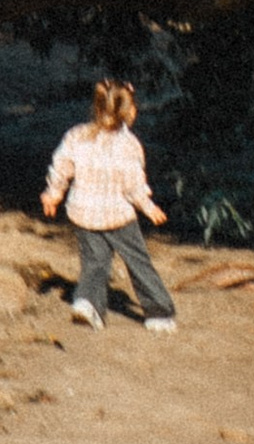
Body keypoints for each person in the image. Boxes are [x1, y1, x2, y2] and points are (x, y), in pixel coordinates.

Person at [42, 80, 177, 332]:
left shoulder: (76, 136)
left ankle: (87, 302)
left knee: (94, 261)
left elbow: (61, 166)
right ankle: (158, 312)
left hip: (82, 212)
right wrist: (148, 207)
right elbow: (132, 186)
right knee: (138, 262)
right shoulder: (128, 145)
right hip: (118, 216)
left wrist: (53, 194)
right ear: (128, 112)